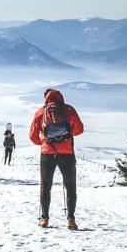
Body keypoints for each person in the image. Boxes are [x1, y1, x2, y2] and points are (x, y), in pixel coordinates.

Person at [28, 88, 84, 229]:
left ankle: (44, 219)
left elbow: (33, 136)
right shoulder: (69, 110)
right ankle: (71, 220)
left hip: (47, 153)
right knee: (70, 187)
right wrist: (66, 135)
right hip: (67, 153)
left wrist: (44, 142)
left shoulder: (40, 112)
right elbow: (79, 129)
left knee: (46, 186)